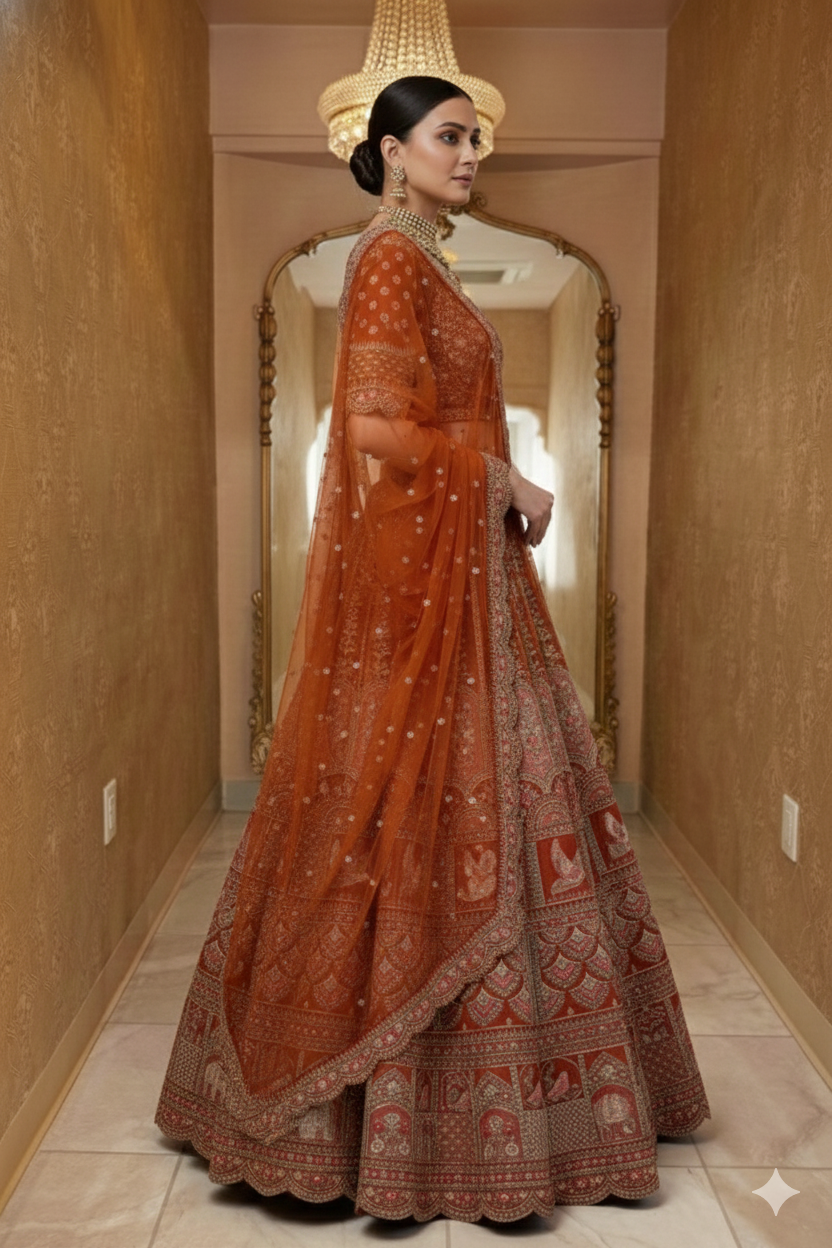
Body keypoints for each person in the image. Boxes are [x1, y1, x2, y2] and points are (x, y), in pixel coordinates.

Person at [156, 75, 709, 1223]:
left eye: (476, 138)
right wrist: (503, 478)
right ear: (391, 149)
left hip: (469, 589)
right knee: (405, 814)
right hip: (429, 597)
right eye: (449, 137)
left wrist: (491, 488)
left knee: (504, 796)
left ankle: (508, 1107)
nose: (470, 155)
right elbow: (370, 428)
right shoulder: (387, 259)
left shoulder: (420, 260)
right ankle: (378, 1115)